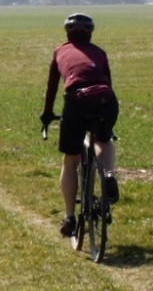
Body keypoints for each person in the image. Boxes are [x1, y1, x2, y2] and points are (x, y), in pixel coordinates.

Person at [40, 12, 118, 238]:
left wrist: (47, 114)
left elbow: (52, 87)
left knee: (70, 159)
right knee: (104, 138)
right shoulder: (100, 53)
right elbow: (109, 83)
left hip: (76, 101)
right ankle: (109, 175)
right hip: (105, 100)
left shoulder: (59, 52)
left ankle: (69, 216)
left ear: (67, 33)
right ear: (90, 33)